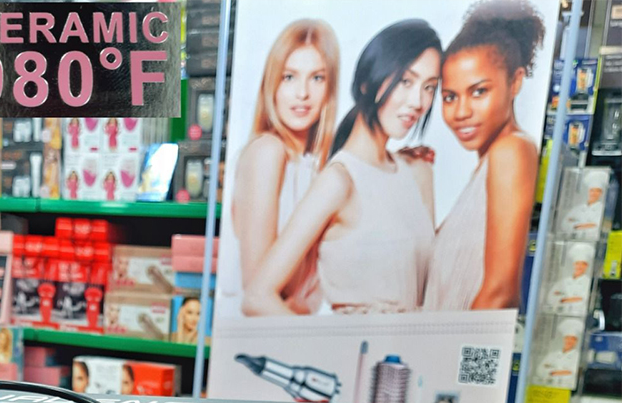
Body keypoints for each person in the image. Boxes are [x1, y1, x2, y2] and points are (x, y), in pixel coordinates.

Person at [244, 20, 440, 315]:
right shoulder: (338, 180)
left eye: (429, 87)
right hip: (358, 343)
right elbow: (257, 296)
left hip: (419, 342)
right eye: (406, 81)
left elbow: (429, 285)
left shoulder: (418, 172)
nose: (418, 101)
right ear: (367, 82)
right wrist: (322, 343)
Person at [424, 0, 546, 311]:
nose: (461, 112)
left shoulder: (511, 151)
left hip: (463, 344)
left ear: (515, 82)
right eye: (450, 97)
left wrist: (458, 354)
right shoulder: (487, 167)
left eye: (479, 91)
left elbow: (500, 293)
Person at [228, 20, 339, 312]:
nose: (303, 93)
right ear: (272, 84)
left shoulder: (317, 166)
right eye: (289, 77)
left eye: (317, 78)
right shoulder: (268, 151)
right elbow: (256, 297)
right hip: (264, 332)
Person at [544, 242, 594, 312]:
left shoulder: (589, 282)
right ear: (574, 265)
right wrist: (571, 299)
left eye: (583, 264)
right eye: (577, 264)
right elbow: (551, 298)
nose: (580, 267)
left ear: (587, 266)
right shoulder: (564, 281)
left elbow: (584, 300)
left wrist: (562, 298)